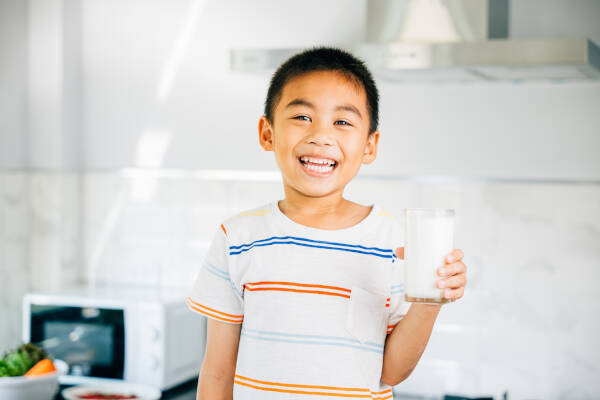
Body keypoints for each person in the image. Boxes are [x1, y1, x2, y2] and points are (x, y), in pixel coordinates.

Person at [187, 46, 468, 399]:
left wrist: (429, 303)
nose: (321, 135)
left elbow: (393, 372)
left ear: (369, 146)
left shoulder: (391, 240)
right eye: (302, 117)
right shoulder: (238, 237)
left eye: (342, 122)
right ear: (267, 133)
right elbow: (216, 373)